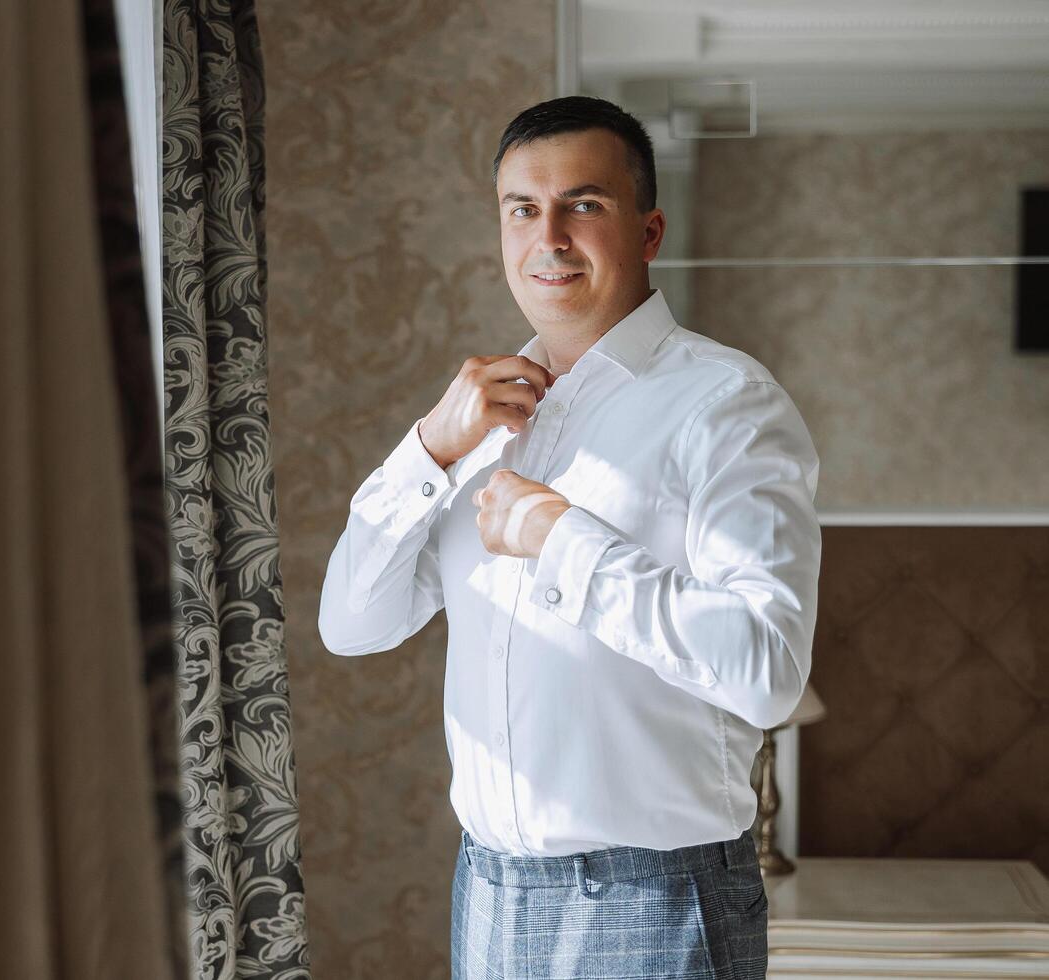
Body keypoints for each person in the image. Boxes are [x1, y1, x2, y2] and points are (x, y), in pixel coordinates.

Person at [317, 95, 822, 979]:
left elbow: (768, 674)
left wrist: (562, 541)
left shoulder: (729, 406)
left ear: (649, 229)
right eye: (522, 208)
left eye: (583, 205)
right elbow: (353, 624)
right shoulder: (477, 423)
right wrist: (428, 448)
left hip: (657, 908)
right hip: (488, 894)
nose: (547, 236)